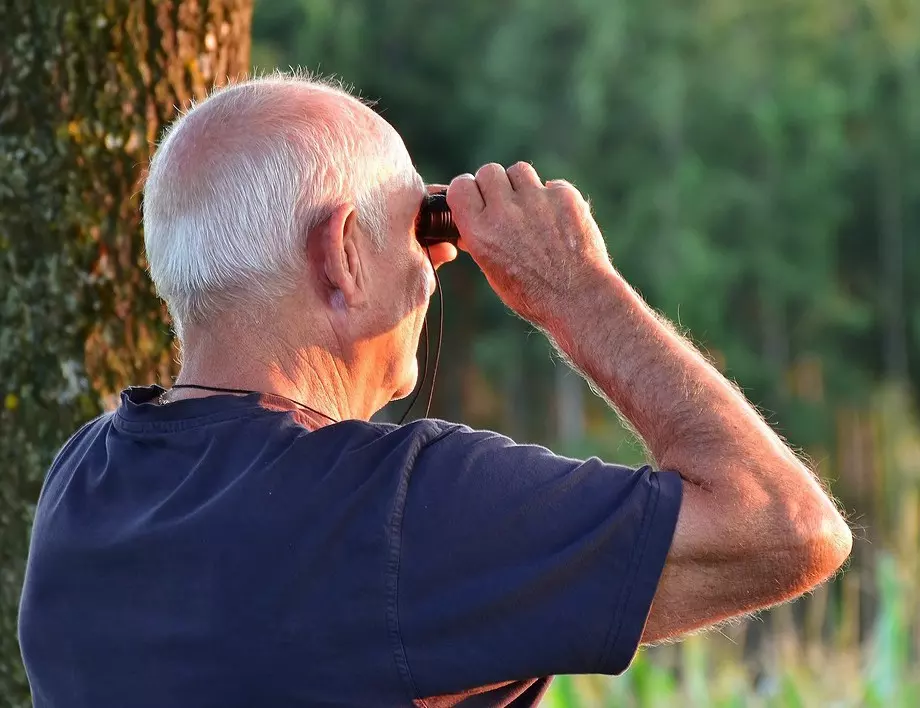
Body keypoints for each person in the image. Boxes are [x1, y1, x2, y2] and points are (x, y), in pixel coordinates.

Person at [18, 74, 852, 708]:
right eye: (418, 229)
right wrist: (574, 289)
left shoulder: (82, 488)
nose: (435, 265)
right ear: (342, 257)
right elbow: (784, 528)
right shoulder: (400, 515)